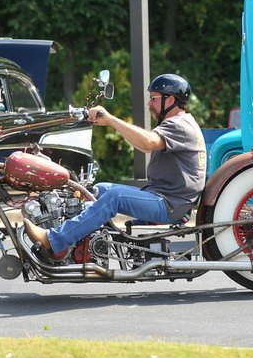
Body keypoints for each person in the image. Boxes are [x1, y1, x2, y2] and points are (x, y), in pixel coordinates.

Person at [25, 73, 207, 255]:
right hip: (163, 197)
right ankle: (78, 243)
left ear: (170, 100)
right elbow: (142, 144)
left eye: (153, 98)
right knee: (99, 189)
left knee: (115, 197)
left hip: (169, 204)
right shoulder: (178, 123)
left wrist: (111, 120)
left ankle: (54, 240)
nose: (149, 104)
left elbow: (148, 143)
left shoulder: (179, 125)